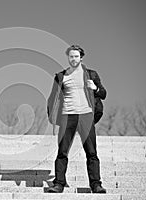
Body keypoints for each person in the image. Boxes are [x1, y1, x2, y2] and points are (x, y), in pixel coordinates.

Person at [46, 45, 107, 193]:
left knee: (91, 152)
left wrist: (95, 89)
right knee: (62, 151)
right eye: (71, 56)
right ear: (68, 58)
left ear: (81, 58)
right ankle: (59, 183)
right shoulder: (61, 76)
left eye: (76, 56)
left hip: (86, 115)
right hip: (67, 116)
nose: (73, 59)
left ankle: (96, 184)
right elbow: (52, 99)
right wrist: (53, 120)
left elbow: (103, 94)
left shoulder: (91, 75)